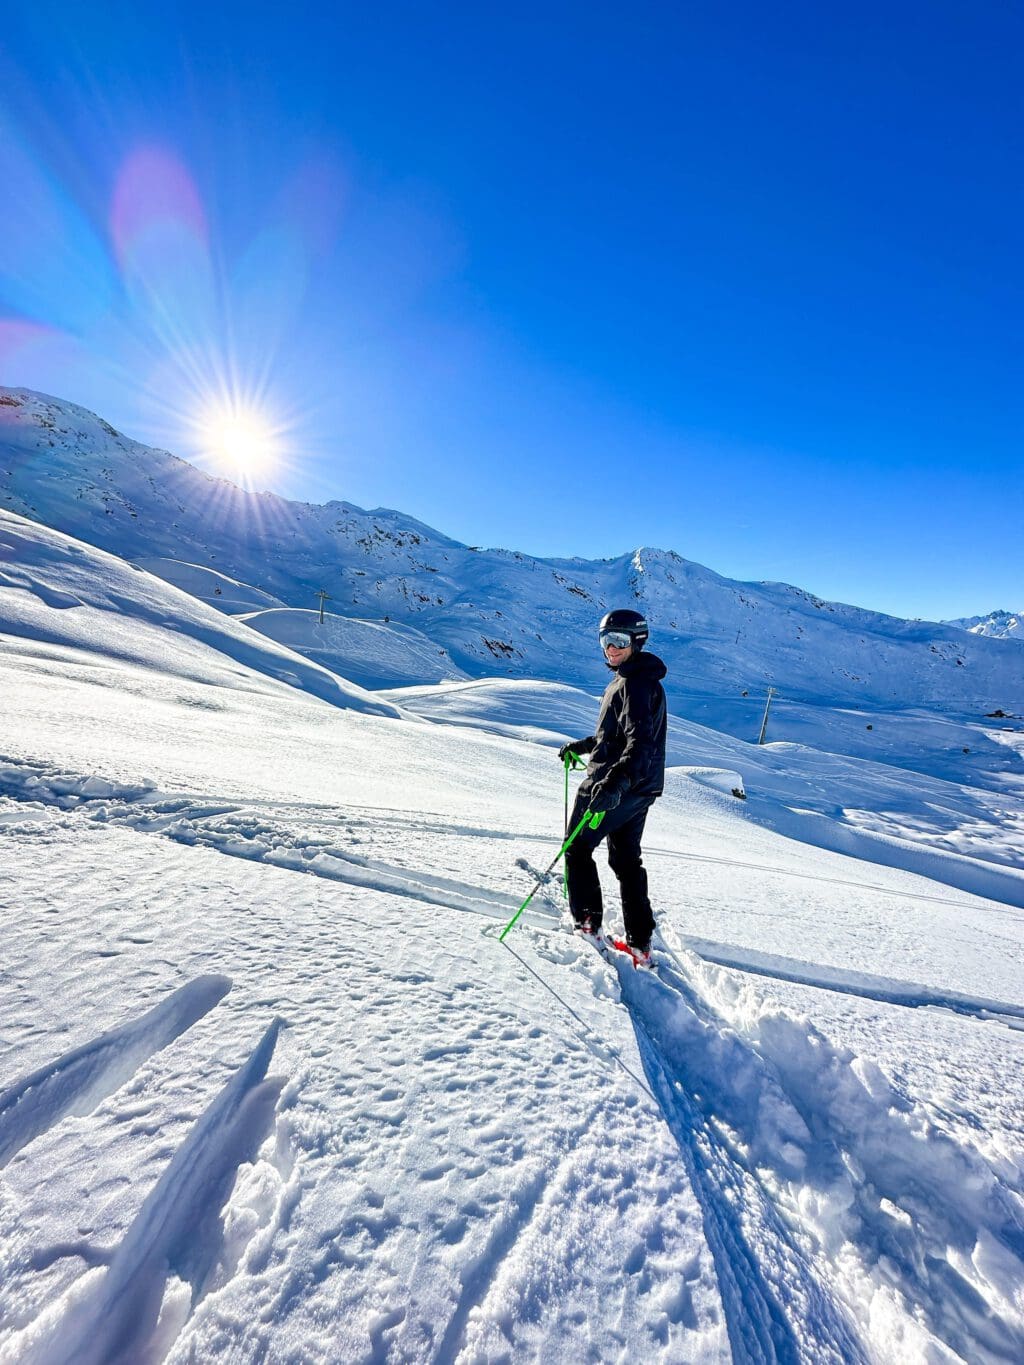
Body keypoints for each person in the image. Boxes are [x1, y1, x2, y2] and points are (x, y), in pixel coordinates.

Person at [558, 609, 667, 967]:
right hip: (639, 788)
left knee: (576, 848)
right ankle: (640, 943)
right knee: (625, 860)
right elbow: (619, 735)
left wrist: (614, 785)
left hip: (615, 785)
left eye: (619, 641)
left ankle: (588, 926)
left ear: (638, 641)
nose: (611, 648)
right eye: (606, 640)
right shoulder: (634, 679)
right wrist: (586, 745)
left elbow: (641, 746)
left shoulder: (634, 683)